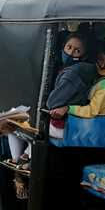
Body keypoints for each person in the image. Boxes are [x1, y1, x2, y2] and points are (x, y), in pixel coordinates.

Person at [8, 33, 96, 161]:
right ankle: (26, 154)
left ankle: (18, 160)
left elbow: (52, 103)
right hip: (74, 123)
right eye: (69, 47)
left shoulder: (73, 73)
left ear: (84, 55)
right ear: (63, 47)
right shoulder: (83, 69)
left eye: (77, 51)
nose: (71, 53)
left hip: (64, 125)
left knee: (10, 119)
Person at [51, 40, 105, 121]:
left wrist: (67, 108)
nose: (102, 65)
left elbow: (92, 111)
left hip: (100, 125)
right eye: (100, 59)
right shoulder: (102, 78)